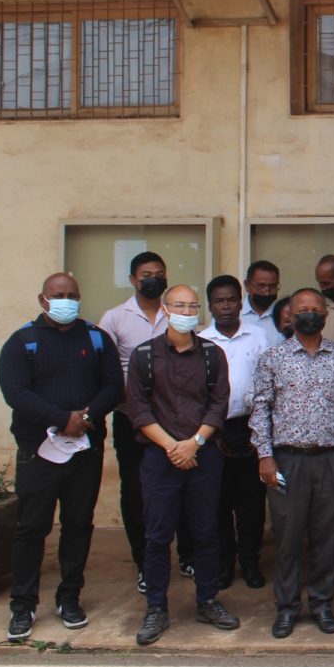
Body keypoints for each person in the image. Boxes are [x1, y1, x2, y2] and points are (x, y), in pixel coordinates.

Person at [0, 273, 122, 642]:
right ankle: (23, 605)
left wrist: (87, 417)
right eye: (58, 295)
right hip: (38, 451)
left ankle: (69, 598)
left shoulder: (96, 338)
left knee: (78, 524)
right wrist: (59, 418)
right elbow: (15, 392)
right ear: (43, 300)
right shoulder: (22, 342)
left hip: (85, 449)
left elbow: (114, 385)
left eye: (71, 295)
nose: (65, 301)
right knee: (30, 528)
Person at [123, 283, 240, 645]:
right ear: (165, 309)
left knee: (206, 532)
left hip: (204, 456)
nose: (186, 313)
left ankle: (208, 600)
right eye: (179, 306)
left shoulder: (212, 355)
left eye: (192, 307)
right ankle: (156, 608)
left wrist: (194, 444)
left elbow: (219, 404)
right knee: (157, 536)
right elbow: (138, 410)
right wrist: (173, 447)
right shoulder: (144, 356)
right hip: (160, 458)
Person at [250, 287, 334, 638]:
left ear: (325, 315)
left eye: (316, 308)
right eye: (303, 309)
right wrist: (265, 456)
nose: (310, 314)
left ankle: (321, 604)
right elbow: (261, 409)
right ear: (290, 315)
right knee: (287, 536)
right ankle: (287, 608)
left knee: (326, 537)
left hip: (332, 459)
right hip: (287, 460)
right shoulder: (273, 358)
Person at [98, 251, 184, 593]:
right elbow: (104, 368)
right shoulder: (115, 318)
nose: (154, 279)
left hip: (175, 421)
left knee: (180, 487)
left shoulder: (176, 314)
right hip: (131, 419)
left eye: (159, 273)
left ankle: (186, 556)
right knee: (137, 492)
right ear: (133, 280)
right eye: (146, 275)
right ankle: (144, 562)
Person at [198, 275, 270, 590]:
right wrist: (212, 435)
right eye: (219, 301)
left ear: (241, 303)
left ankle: (251, 563)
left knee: (251, 503)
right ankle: (224, 564)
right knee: (218, 503)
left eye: (231, 300)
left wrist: (259, 432)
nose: (226, 306)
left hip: (252, 426)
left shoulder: (258, 336)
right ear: (210, 305)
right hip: (214, 429)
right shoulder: (201, 341)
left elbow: (269, 383)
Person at [241, 260, 285, 348]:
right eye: (260, 286)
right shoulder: (232, 313)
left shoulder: (285, 314)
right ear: (247, 285)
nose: (266, 292)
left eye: (272, 286)